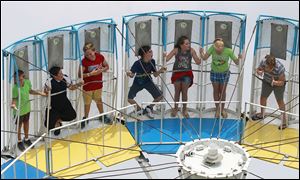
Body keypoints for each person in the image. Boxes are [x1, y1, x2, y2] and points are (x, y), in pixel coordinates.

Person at [200, 38, 243, 118]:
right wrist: (201, 52)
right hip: (214, 73)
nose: (219, 49)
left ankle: (222, 109)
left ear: (223, 46)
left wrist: (240, 58)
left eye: (221, 47)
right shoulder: (212, 48)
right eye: (217, 47)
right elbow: (204, 58)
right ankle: (217, 109)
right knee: (216, 91)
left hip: (224, 74)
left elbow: (236, 62)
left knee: (222, 91)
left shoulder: (228, 51)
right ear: (214, 46)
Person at [164, 36, 201, 118]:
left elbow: (198, 62)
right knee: (177, 92)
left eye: (189, 43)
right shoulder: (176, 50)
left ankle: (184, 109)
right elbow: (166, 59)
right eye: (187, 44)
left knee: (184, 91)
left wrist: (201, 54)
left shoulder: (191, 51)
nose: (189, 45)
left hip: (187, 74)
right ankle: (176, 108)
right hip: (177, 73)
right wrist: (164, 55)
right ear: (181, 45)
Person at [127, 45, 166, 119]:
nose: (152, 52)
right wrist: (129, 73)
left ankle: (149, 108)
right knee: (129, 99)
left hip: (148, 82)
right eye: (150, 51)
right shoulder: (137, 63)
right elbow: (132, 75)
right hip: (138, 82)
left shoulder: (152, 61)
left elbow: (155, 75)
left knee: (160, 96)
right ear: (145, 54)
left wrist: (160, 70)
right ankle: (139, 109)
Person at [11, 70, 46, 151]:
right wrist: (13, 105)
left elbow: (30, 91)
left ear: (23, 77)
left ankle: (26, 139)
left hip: (27, 109)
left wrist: (40, 93)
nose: (18, 81)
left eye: (20, 79)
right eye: (17, 80)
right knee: (19, 127)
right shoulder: (15, 88)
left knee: (26, 124)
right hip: (18, 111)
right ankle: (19, 141)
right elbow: (14, 99)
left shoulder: (27, 82)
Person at [78, 42, 111, 128]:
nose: (89, 56)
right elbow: (80, 75)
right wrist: (90, 74)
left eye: (90, 54)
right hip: (87, 87)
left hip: (98, 85)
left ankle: (102, 116)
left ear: (94, 51)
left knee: (99, 101)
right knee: (87, 104)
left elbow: (107, 66)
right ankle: (85, 118)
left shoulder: (100, 57)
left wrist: (101, 70)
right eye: (86, 55)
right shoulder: (84, 61)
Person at [44, 66, 83, 135]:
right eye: (60, 74)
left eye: (62, 73)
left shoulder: (65, 78)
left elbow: (71, 87)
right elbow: (45, 93)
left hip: (64, 103)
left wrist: (79, 84)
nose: (62, 75)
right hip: (53, 105)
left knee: (72, 115)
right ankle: (56, 123)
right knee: (48, 125)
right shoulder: (49, 82)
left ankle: (57, 120)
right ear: (55, 76)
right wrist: (47, 91)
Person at [252, 54, 287, 130]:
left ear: (273, 67)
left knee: (280, 101)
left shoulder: (280, 68)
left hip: (278, 84)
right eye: (266, 68)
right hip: (267, 82)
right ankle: (262, 114)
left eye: (269, 69)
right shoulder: (264, 62)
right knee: (263, 97)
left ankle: (284, 121)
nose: (267, 69)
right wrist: (259, 72)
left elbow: (282, 82)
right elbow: (258, 69)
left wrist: (275, 83)